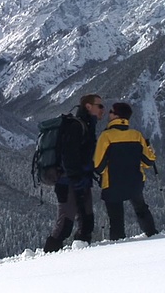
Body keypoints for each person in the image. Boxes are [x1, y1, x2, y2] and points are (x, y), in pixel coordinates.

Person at [43, 94, 105, 253]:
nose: (102, 109)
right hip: (68, 182)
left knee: (87, 222)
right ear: (88, 107)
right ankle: (48, 259)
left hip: (81, 182)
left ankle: (81, 257)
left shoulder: (87, 125)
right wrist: (77, 178)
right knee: (65, 224)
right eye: (100, 105)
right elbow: (68, 155)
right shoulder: (76, 126)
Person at [93, 102, 158, 240]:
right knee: (141, 209)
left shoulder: (106, 136)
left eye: (111, 111)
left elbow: (98, 165)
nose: (108, 113)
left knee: (116, 220)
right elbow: (148, 162)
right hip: (135, 182)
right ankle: (153, 235)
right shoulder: (136, 135)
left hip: (112, 185)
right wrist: (151, 150)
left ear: (116, 115)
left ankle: (118, 246)